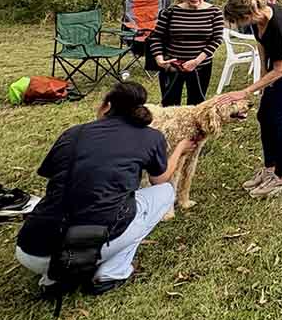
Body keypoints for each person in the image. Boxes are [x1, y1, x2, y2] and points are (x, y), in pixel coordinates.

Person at [15, 82, 197, 293]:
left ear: (106, 106)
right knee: (164, 192)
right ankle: (112, 272)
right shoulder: (151, 136)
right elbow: (160, 179)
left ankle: (54, 277)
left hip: (29, 250)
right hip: (91, 244)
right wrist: (179, 150)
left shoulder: (73, 133)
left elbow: (50, 174)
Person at [218, 0, 282, 199]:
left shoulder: (278, 24)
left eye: (237, 21)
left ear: (248, 13)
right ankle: (270, 168)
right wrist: (261, 73)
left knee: (279, 120)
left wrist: (246, 91)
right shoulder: (257, 18)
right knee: (264, 116)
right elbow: (261, 43)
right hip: (278, 67)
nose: (238, 25)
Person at [147, 0, 224, 106]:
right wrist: (159, 59)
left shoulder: (214, 12)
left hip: (200, 66)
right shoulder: (170, 12)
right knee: (169, 105)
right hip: (172, 66)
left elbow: (216, 39)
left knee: (197, 105)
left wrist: (196, 61)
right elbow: (156, 37)